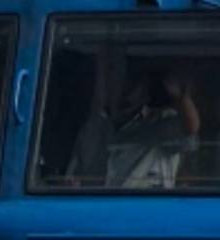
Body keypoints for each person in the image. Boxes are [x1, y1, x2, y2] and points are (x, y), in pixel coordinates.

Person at [70, 68, 201, 189]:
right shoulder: (94, 128)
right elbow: (75, 177)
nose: (122, 91)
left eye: (130, 86)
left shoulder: (160, 123)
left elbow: (190, 127)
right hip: (105, 200)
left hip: (145, 200)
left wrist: (181, 96)